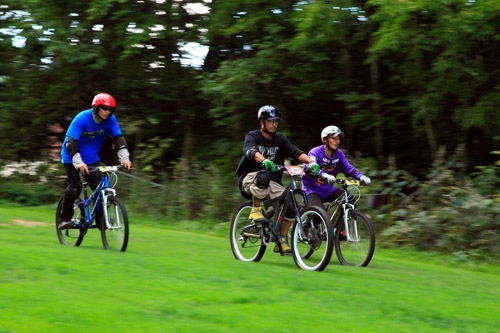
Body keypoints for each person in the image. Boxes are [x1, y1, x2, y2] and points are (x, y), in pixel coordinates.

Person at [236, 105, 319, 255]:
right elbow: (250, 151)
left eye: (276, 121)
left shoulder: (280, 139)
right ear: (262, 122)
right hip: (249, 178)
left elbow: (294, 151)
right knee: (263, 175)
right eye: (270, 121)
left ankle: (281, 239)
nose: (274, 124)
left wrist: (311, 162)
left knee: (292, 206)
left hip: (273, 183)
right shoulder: (252, 136)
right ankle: (255, 210)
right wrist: (263, 160)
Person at [58, 93, 132, 229]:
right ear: (96, 108)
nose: (107, 112)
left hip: (91, 157)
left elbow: (118, 138)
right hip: (71, 156)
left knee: (101, 190)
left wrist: (125, 158)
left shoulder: (110, 120)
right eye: (104, 108)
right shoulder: (82, 118)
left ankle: (101, 220)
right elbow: (71, 143)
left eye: (110, 110)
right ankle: (64, 219)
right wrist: (79, 163)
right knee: (74, 188)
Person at [302, 125, 371, 210]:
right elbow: (310, 166)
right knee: (318, 214)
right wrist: (324, 175)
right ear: (325, 140)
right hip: (311, 189)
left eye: (338, 139)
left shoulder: (339, 154)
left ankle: (342, 222)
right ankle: (306, 223)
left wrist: (361, 176)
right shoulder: (315, 152)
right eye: (333, 138)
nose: (336, 141)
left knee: (350, 200)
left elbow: (348, 168)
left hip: (327, 189)